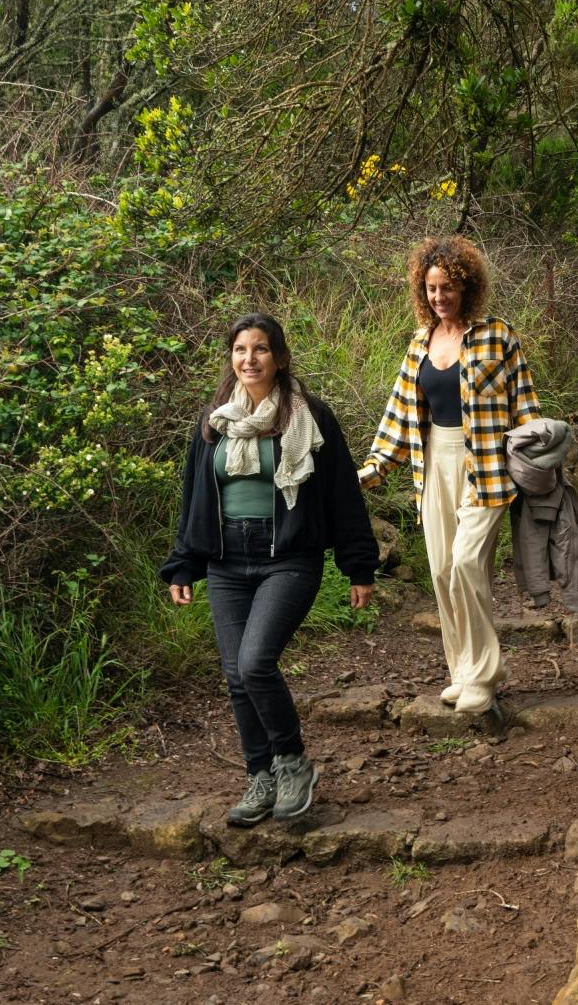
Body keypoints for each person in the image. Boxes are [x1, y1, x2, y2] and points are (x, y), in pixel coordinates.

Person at [162, 314, 379, 827]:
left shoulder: (312, 418)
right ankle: (260, 776)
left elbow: (343, 496)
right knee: (238, 675)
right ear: (231, 358)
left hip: (288, 558)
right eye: (240, 349)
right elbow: (194, 498)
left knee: (256, 662)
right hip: (225, 562)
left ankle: (292, 762)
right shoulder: (214, 421)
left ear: (279, 358)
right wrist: (183, 565)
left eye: (261, 349)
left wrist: (358, 567)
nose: (250, 359)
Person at [357, 236, 541, 716]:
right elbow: (399, 413)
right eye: (431, 288)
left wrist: (538, 464)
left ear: (468, 287)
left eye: (448, 288)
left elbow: (525, 406)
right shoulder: (420, 341)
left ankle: (483, 674)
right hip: (434, 459)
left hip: (487, 465)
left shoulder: (497, 336)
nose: (440, 297)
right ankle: (463, 670)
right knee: (441, 571)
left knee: (465, 564)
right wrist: (374, 467)